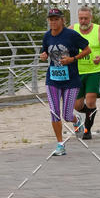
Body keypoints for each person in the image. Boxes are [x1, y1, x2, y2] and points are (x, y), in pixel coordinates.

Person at [39, 8, 90, 156]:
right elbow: (45, 52)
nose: (53, 22)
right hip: (52, 79)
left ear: (62, 20)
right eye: (51, 19)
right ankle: (60, 144)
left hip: (71, 80)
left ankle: (76, 119)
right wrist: (43, 55)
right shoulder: (47, 36)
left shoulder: (71, 35)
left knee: (67, 115)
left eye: (56, 19)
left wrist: (72, 59)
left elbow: (87, 50)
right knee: (54, 112)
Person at [72, 6, 100, 140]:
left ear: (91, 18)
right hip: (77, 72)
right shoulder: (72, 29)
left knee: (90, 101)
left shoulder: (99, 30)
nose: (83, 21)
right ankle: (90, 113)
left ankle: (87, 130)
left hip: (94, 72)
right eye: (81, 18)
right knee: (77, 106)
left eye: (86, 18)